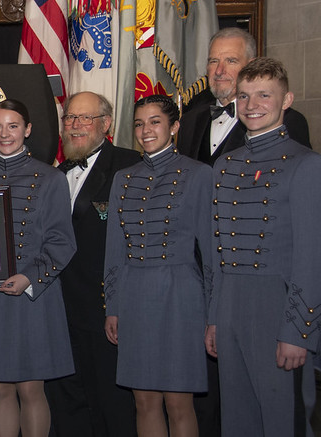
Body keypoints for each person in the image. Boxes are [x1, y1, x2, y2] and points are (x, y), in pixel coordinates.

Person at [205, 57, 321, 436]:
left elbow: (311, 258)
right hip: (232, 307)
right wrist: (215, 319)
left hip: (278, 307)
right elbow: (218, 251)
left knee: (282, 421)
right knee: (237, 421)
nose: (252, 104)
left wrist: (297, 332)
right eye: (244, 96)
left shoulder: (305, 165)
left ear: (286, 100)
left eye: (264, 95)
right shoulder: (224, 165)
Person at [0, 99, 76, 437]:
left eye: (12, 126)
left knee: (31, 388)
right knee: (0, 389)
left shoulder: (51, 178)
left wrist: (28, 277)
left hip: (33, 294)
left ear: (27, 129)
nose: (4, 134)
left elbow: (62, 242)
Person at [103, 95, 212, 437]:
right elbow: (114, 250)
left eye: (155, 122)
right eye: (139, 123)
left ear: (174, 127)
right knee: (144, 400)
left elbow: (211, 251)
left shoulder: (199, 174)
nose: (145, 130)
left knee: (179, 403)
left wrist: (214, 315)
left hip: (181, 295)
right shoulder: (123, 178)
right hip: (134, 295)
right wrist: (113, 306)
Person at [47, 91, 139, 437]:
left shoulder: (130, 166)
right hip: (59, 310)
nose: (75, 125)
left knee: (112, 404)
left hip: (106, 311)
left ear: (106, 124)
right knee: (66, 401)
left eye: (85, 118)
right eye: (70, 118)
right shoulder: (57, 171)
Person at [177, 27, 310, 166]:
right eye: (213, 61)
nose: (219, 71)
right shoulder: (189, 121)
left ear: (251, 65)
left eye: (231, 61)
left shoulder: (288, 121)